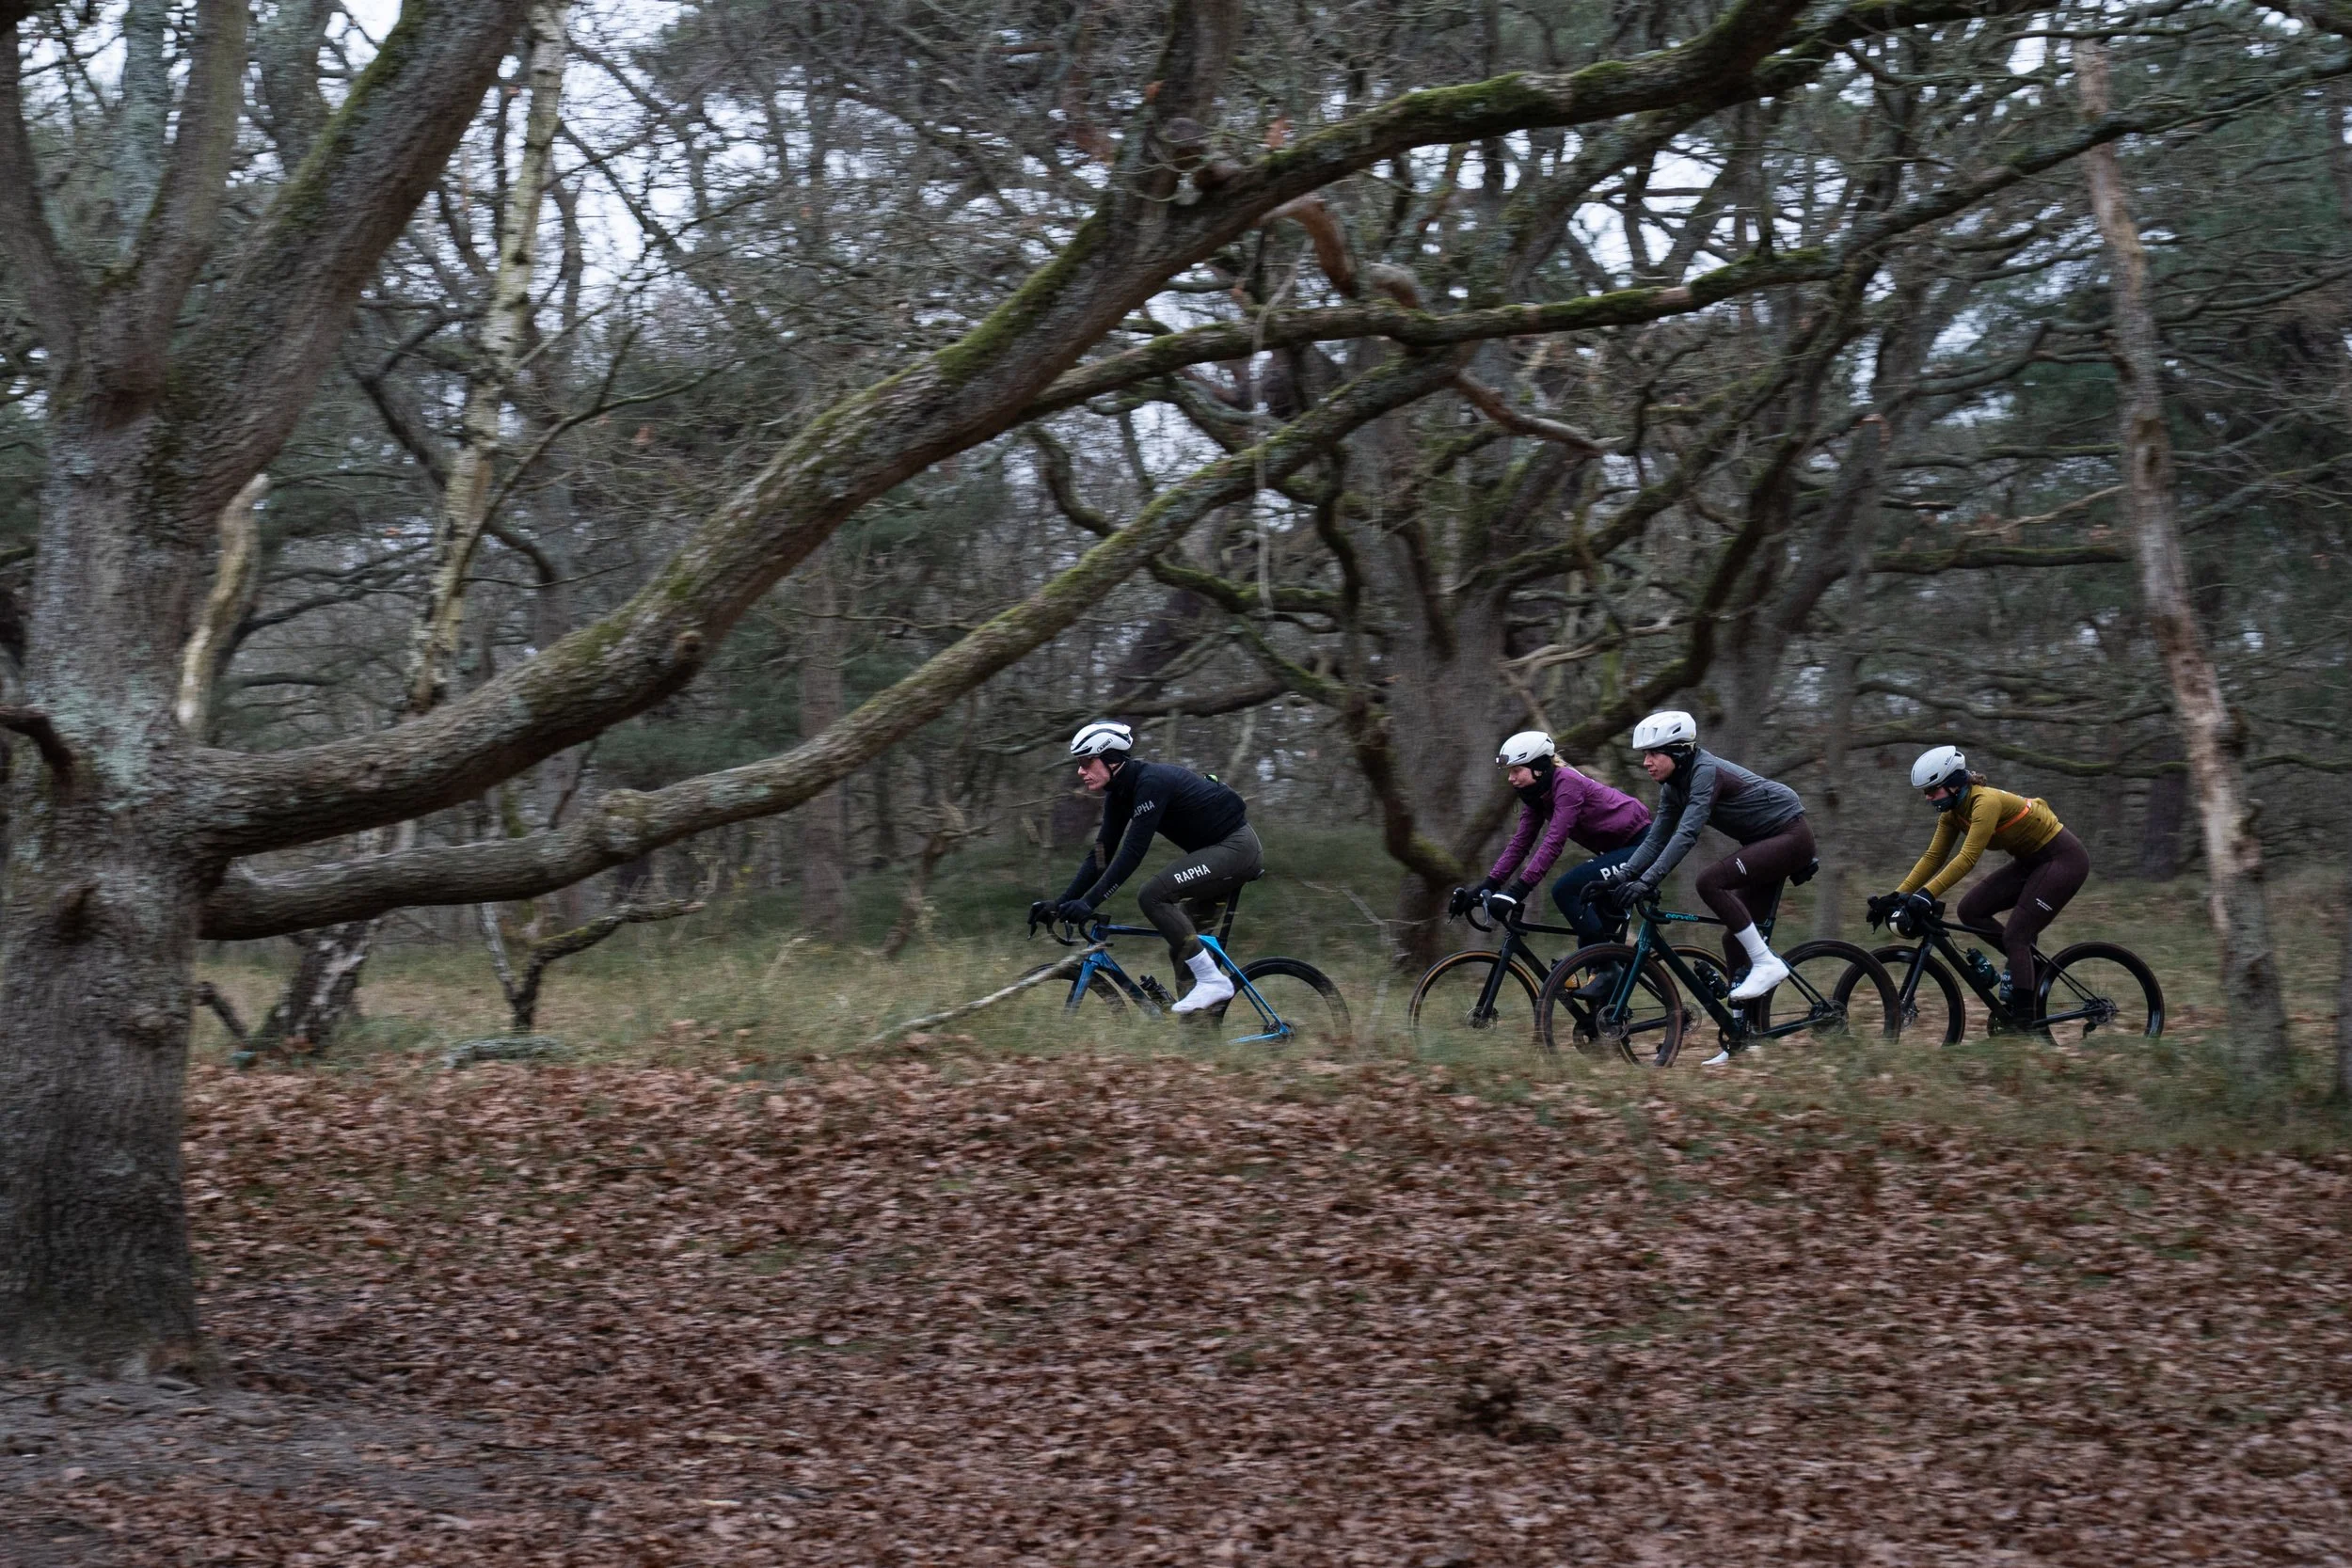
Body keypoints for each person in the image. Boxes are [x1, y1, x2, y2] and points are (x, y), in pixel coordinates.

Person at [1597, 710, 1813, 1059]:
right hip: (1764, 843)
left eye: (1653, 754)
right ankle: (1746, 1040)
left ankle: (1768, 965)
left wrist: (1647, 881)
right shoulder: (1673, 786)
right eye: (1644, 756)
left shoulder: (1705, 773)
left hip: (1790, 836)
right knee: (1733, 938)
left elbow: (1687, 835)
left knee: (1709, 881)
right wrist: (1622, 878)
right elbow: (1655, 841)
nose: (1646, 763)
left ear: (1679, 752)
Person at [1038, 720, 1262, 1015]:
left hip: (1237, 849)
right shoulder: (1119, 795)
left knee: (1152, 895)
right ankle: (1200, 1038)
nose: (1080, 770)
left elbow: (1132, 853)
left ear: (1111, 759)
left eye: (1086, 761)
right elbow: (1101, 856)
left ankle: (1212, 981)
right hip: (1217, 853)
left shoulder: (1150, 783)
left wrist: (1090, 901)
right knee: (1182, 943)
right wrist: (1061, 903)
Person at [1870, 745, 2090, 1022]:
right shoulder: (1951, 814)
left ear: (1952, 785)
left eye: (1932, 790)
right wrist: (1897, 895)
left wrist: (1927, 894)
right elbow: (1933, 857)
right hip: (2030, 862)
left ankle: (2025, 1022)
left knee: (2016, 936)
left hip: (2063, 860)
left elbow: (1968, 857)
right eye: (1924, 793)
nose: (1927, 798)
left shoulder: (1984, 802)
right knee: (1970, 910)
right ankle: (2027, 967)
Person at [1457, 731, 1651, 953]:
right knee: (1589, 929)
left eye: (1516, 770)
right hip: (1615, 852)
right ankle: (1603, 975)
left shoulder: (1567, 784)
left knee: (1565, 890)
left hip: (1641, 846)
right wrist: (1487, 885)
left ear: (1539, 768)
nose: (1511, 778)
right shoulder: (1537, 795)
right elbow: (1520, 844)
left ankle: (1606, 969)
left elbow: (1554, 842)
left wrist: (1517, 892)